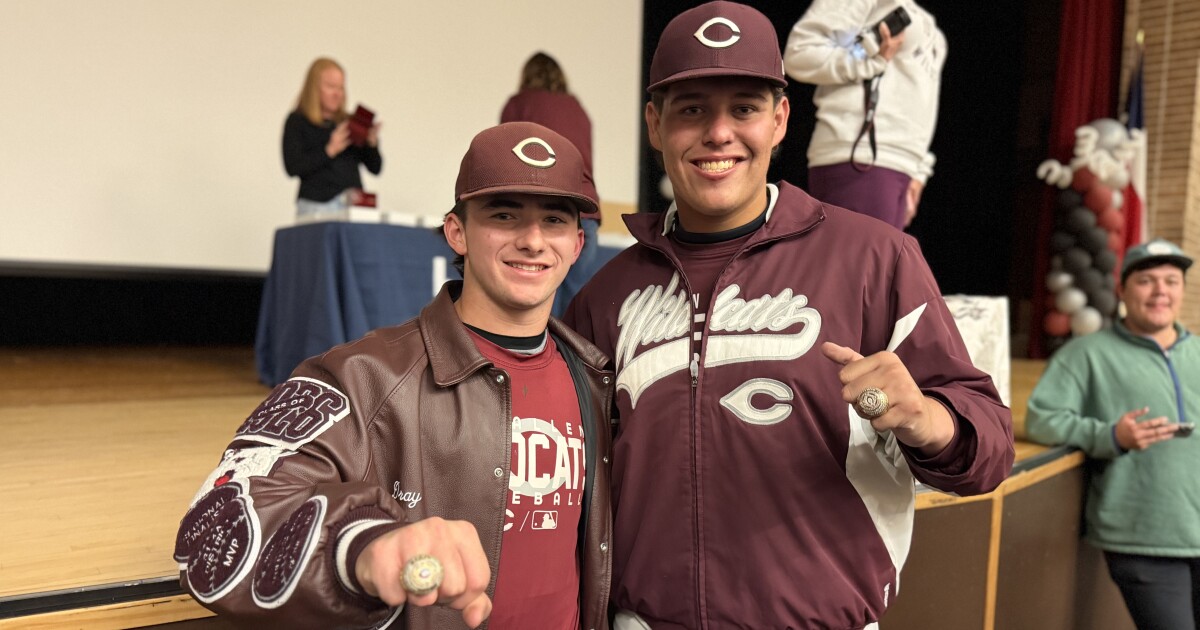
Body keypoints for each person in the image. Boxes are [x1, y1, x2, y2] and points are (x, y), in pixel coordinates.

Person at [562, 3, 1014, 628]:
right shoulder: (606, 296)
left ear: (779, 120)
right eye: (691, 108)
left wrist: (926, 419)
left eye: (744, 108)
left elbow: (988, 452)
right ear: (654, 124)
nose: (719, 133)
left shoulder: (875, 257)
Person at [176, 121, 612, 630]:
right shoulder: (362, 377)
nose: (533, 240)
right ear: (456, 232)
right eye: (504, 215)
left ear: (578, 244)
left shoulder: (595, 376)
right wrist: (361, 548)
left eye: (554, 221)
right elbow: (216, 522)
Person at [1025, 238, 1197, 629]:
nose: (1160, 292)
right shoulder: (1085, 353)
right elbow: (1042, 418)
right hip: (1142, 539)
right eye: (1147, 281)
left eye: (1171, 281)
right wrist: (1111, 436)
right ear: (1122, 289)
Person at [784, 0, 946, 229]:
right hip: (858, 156)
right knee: (855, 263)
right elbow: (799, 54)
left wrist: (920, 170)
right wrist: (871, 60)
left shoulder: (925, 18)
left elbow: (925, 98)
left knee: (876, 264)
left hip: (901, 166)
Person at [500, 52, 600, 318]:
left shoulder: (519, 104)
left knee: (537, 307)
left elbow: (504, 161)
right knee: (576, 311)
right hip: (586, 215)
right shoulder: (579, 110)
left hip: (544, 212)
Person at [282, 57, 383, 219]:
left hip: (354, 206)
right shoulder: (297, 121)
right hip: (317, 206)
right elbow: (292, 167)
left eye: (341, 88)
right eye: (330, 87)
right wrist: (329, 150)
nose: (337, 94)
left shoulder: (350, 123)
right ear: (314, 88)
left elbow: (376, 168)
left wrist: (371, 144)